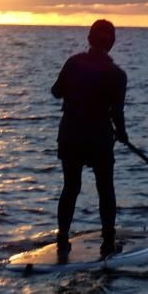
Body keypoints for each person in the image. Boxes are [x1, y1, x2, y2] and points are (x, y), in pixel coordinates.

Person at [51, 19, 128, 257]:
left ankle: (62, 237)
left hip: (71, 134)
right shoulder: (117, 75)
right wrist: (122, 134)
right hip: (98, 138)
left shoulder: (73, 63)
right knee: (105, 189)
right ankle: (108, 240)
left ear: (89, 39)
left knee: (70, 187)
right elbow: (116, 112)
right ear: (112, 43)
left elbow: (56, 92)